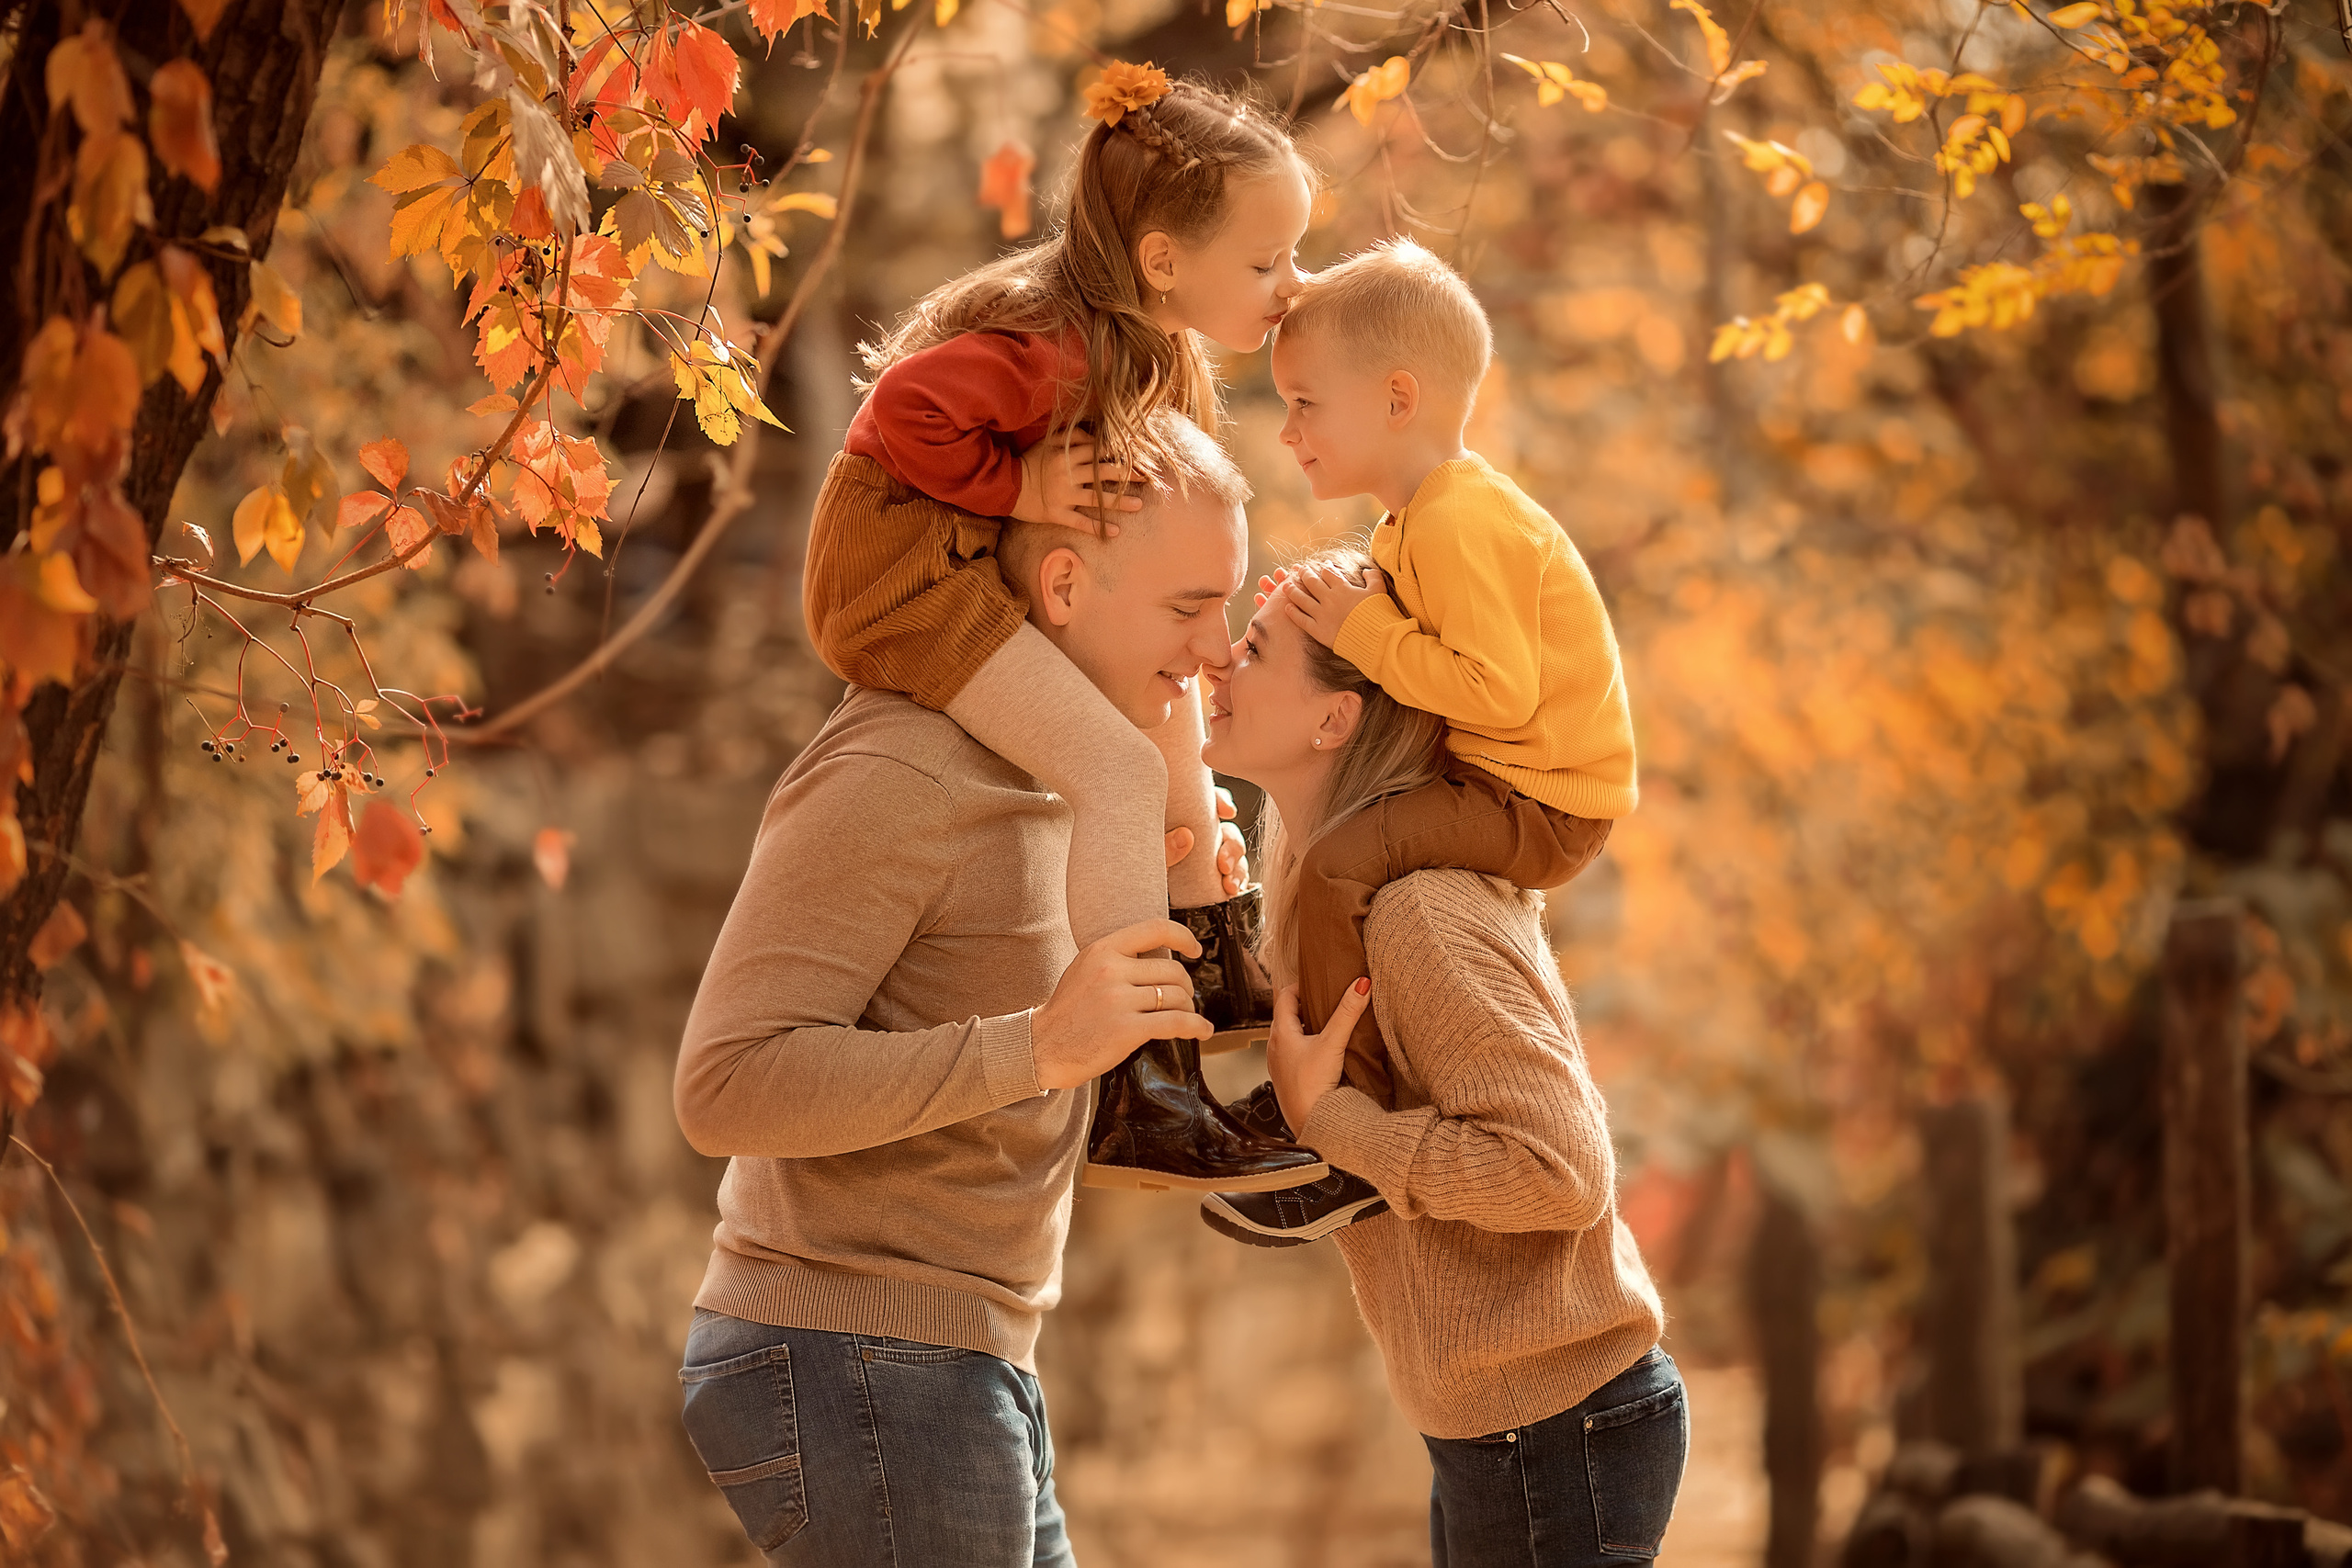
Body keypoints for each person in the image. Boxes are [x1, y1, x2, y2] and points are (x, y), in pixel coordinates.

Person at [671, 418, 1321, 1567]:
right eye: (1186, 608)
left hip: (958, 1358)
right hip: (853, 1353)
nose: (1216, 650)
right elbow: (723, 1088)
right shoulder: (901, 767)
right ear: (1062, 582)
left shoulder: (1075, 773)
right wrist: (1037, 1045)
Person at [799, 60, 1318, 1188]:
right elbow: (902, 411)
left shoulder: (1157, 348)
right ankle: (1140, 1089)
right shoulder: (1053, 340)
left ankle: (1211, 947)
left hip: (982, 576)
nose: (1291, 285)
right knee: (1115, 775)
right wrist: (1024, 495)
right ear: (1164, 260)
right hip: (907, 583)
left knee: (1167, 688)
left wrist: (1200, 819)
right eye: (1268, 261)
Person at [1200, 547, 1685, 1566]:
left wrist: (1332, 1124)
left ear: (1335, 719)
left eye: (1251, 649)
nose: (1214, 663)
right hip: (1492, 1420)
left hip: (1560, 1428)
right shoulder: (1305, 859)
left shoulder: (1420, 913)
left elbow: (1562, 1172)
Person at [1214, 237, 1640, 1242]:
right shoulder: (1417, 520)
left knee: (1335, 869)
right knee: (1324, 864)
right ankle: (1298, 1083)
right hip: (1508, 776)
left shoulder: (1458, 517)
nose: (1287, 433)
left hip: (1541, 798)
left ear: (1397, 399)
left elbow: (1491, 692)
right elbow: (1404, 634)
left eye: (1305, 403)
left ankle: (1327, 1134)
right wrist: (1326, 610)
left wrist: (1354, 627)